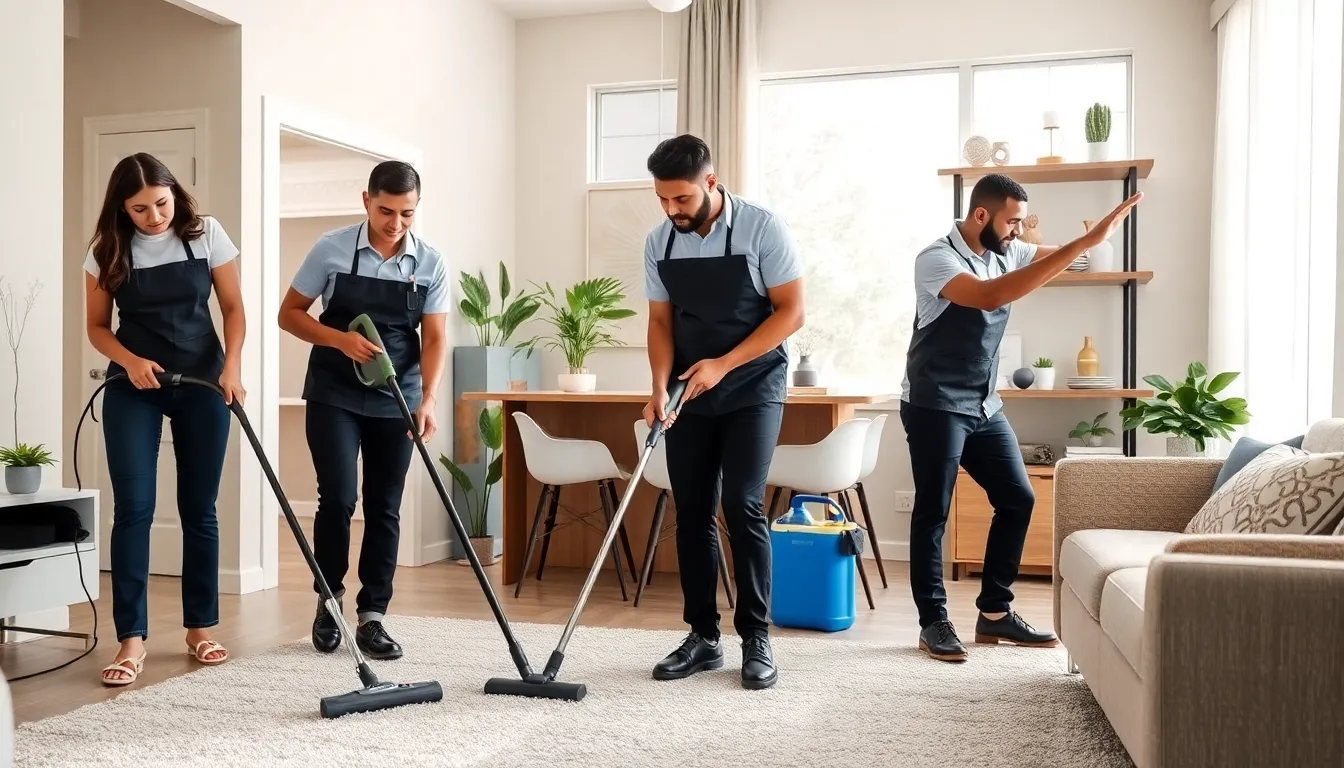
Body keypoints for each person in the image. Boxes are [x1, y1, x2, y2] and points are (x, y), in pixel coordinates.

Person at [900, 173, 1141, 662]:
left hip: (984, 404)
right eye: (1012, 221)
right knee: (933, 512)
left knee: (1018, 499)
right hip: (934, 403)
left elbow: (1063, 257)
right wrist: (1083, 244)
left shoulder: (1007, 249)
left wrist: (1095, 241)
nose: (1019, 231)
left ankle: (994, 613)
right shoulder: (936, 258)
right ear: (981, 215)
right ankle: (933, 622)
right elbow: (989, 296)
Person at [641, 134, 805, 690]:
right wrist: (659, 387)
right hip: (690, 389)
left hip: (754, 383)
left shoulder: (762, 228)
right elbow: (660, 322)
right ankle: (703, 637)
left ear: (710, 182)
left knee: (741, 503)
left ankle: (756, 638)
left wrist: (725, 364)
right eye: (662, 199)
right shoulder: (660, 242)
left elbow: (791, 313)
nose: (671, 209)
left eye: (681, 198)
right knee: (691, 508)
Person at [84, 152, 247, 686]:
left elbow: (233, 309)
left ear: (174, 193)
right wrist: (130, 361)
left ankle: (200, 628)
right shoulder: (107, 250)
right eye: (139, 209)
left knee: (199, 509)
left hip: (203, 383)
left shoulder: (206, 234)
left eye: (161, 203)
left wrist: (231, 368)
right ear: (122, 209)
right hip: (134, 387)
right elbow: (97, 327)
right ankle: (131, 640)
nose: (154, 217)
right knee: (134, 509)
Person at [277, 160, 449, 660]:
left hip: (398, 395)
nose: (396, 224)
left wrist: (427, 399)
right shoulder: (331, 248)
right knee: (337, 499)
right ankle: (328, 603)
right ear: (366, 200)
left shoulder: (430, 262)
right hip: (334, 391)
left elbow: (435, 338)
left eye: (407, 214)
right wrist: (339, 340)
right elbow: (289, 314)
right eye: (386, 211)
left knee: (384, 505)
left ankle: (373, 616)